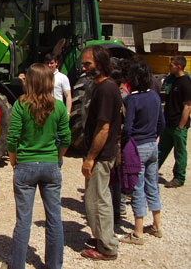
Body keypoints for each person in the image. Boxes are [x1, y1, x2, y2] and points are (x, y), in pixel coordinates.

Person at [4, 63, 70, 269]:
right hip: (50, 165)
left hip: (25, 165)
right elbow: (66, 138)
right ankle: (54, 265)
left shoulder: (20, 105)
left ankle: (17, 264)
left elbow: (12, 137)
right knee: (54, 218)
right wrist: (57, 158)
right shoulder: (58, 106)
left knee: (23, 219)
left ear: (29, 82)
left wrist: (13, 159)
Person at [80, 45, 121, 261]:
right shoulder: (102, 87)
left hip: (100, 156)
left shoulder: (106, 89)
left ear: (101, 63)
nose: (84, 67)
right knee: (94, 198)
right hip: (102, 154)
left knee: (99, 200)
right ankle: (101, 237)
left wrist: (90, 158)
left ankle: (107, 247)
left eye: (88, 64)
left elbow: (103, 128)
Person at [119, 60, 164, 245]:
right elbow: (162, 123)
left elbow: (128, 127)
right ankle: (157, 225)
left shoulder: (132, 99)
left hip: (138, 146)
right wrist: (154, 136)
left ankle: (138, 231)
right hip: (153, 144)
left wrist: (123, 143)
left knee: (137, 188)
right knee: (152, 185)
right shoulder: (154, 95)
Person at [158, 55, 191, 188]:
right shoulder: (173, 81)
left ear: (179, 66)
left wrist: (181, 126)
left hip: (178, 125)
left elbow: (187, 106)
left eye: (171, 65)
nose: (169, 67)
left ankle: (179, 178)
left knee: (180, 152)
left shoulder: (185, 83)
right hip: (169, 123)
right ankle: (150, 172)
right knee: (160, 150)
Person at [44, 53, 72, 117]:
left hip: (58, 111)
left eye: (51, 63)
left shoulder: (62, 77)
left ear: (56, 63)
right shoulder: (41, 77)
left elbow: (68, 96)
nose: (49, 65)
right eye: (47, 63)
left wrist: (68, 113)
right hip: (44, 111)